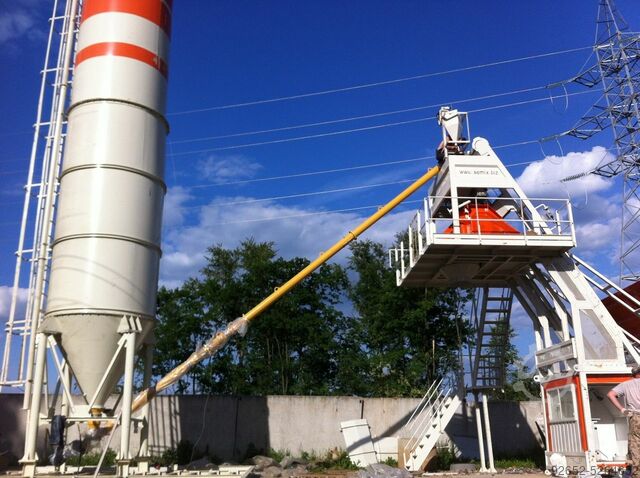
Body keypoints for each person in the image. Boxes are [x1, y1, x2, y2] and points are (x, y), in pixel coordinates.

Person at [608, 367, 640, 477]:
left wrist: (622, 409)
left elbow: (610, 394)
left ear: (633, 374)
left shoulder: (626, 385)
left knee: (635, 448)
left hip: (636, 417)